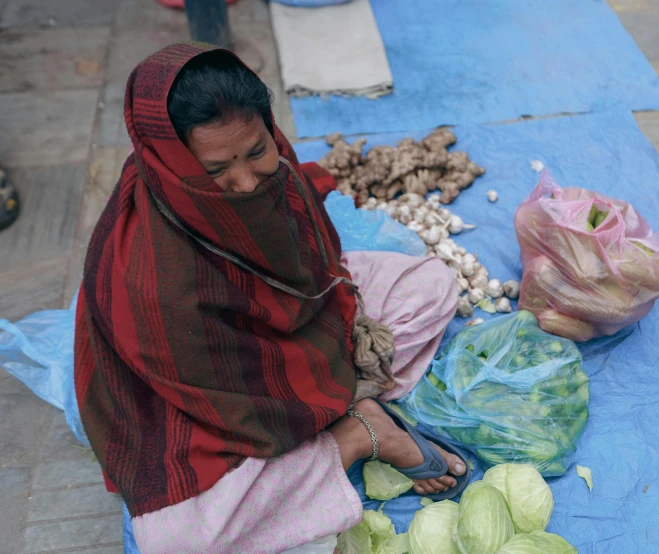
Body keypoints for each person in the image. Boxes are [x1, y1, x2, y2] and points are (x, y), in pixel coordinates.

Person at [74, 43, 466, 554]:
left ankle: (334, 421)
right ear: (172, 162)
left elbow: (319, 269)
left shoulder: (276, 169)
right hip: (215, 397)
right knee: (177, 541)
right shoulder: (152, 280)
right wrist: (322, 402)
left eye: (256, 151)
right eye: (216, 170)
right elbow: (218, 396)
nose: (245, 182)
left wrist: (329, 357)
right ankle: (354, 436)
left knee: (431, 287)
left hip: (295, 338)